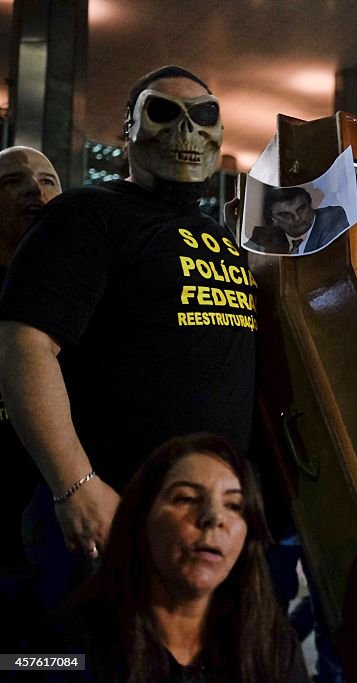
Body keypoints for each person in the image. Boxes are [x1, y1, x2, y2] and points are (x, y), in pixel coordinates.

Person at [0, 66, 257, 606]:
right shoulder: (87, 213)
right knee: (56, 664)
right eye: (163, 113)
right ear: (129, 129)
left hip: (200, 534)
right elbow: (26, 344)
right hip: (107, 520)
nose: (187, 131)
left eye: (203, 115)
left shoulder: (221, 239)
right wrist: (76, 486)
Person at [49, 433, 306, 682]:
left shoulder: (274, 650)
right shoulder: (66, 647)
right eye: (187, 498)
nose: (214, 518)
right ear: (141, 519)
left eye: (234, 506)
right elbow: (13, 662)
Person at [0, 145, 61, 649]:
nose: (34, 191)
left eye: (47, 180)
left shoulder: (79, 293)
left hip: (59, 532)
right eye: (12, 181)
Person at [247, 186, 348, 255]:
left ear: (310, 205)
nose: (297, 218)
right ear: (274, 219)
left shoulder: (333, 218)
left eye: (301, 208)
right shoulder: (263, 238)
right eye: (285, 214)